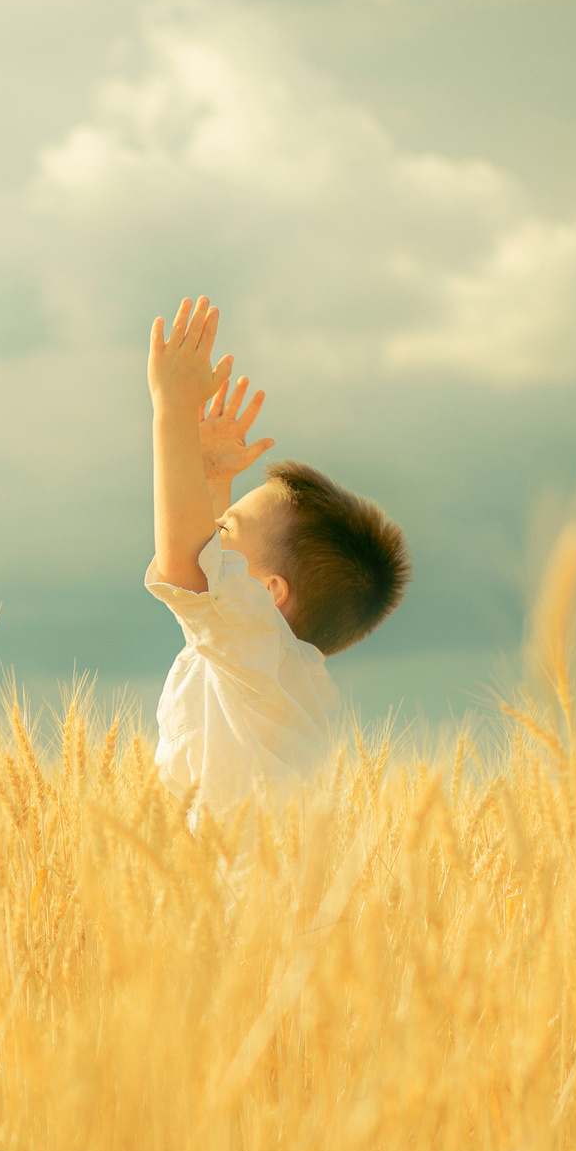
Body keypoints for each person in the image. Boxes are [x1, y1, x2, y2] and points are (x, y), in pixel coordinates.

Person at [142, 296, 410, 815]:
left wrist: (171, 408)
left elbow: (189, 567)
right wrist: (212, 479)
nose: (212, 538)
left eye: (226, 531)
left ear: (271, 594)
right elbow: (215, 588)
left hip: (236, 890)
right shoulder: (269, 667)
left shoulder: (256, 651)